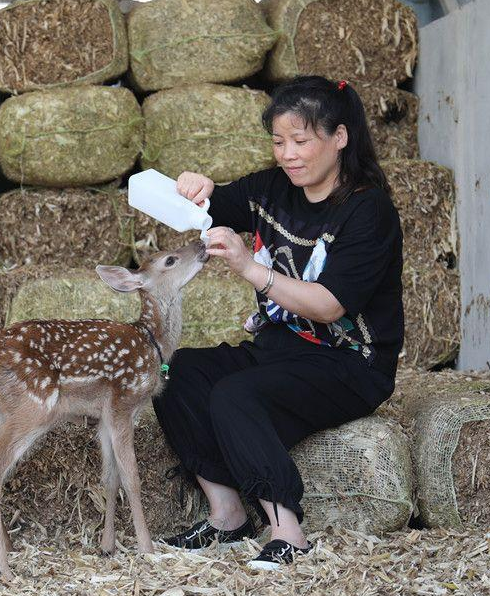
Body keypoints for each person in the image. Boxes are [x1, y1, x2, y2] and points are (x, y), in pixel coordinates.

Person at [152, 75, 404, 570]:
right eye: (278, 141)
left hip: (349, 362)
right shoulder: (272, 188)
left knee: (236, 395)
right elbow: (206, 205)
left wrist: (250, 268)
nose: (288, 154)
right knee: (176, 374)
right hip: (281, 348)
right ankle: (227, 516)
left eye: (301, 141)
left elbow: (330, 305)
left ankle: (288, 530)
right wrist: (192, 188)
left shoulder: (366, 209)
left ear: (340, 137)